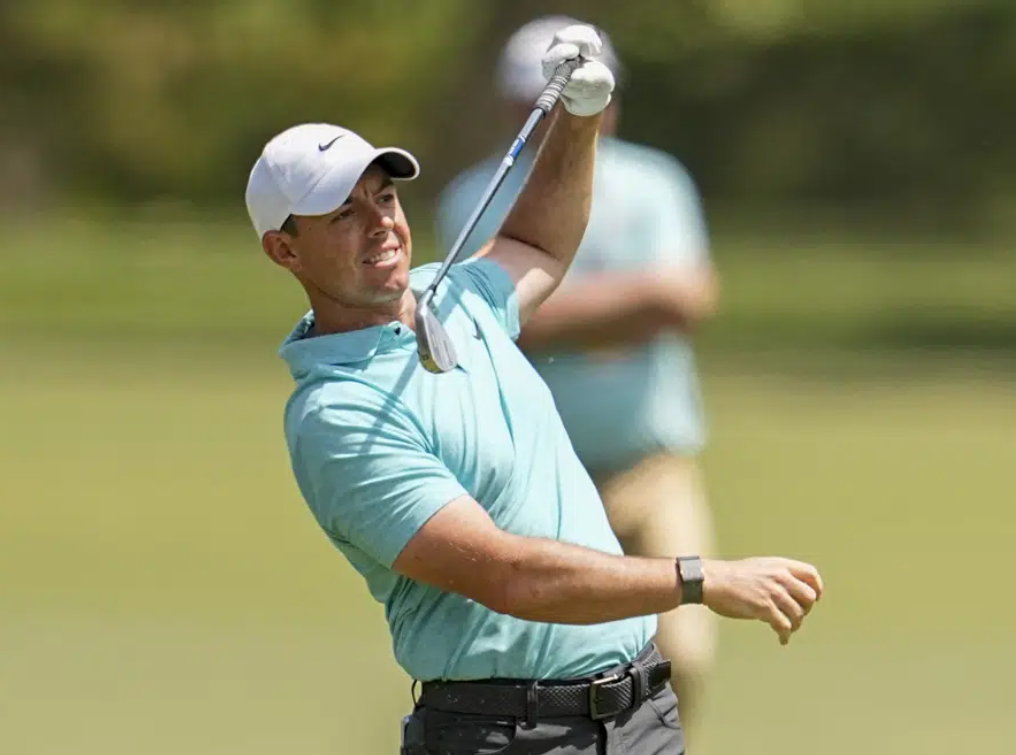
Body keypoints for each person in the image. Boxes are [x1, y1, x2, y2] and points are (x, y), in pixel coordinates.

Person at [246, 23, 824, 755]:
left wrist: (577, 120)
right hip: (508, 734)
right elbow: (510, 576)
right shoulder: (338, 416)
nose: (381, 224)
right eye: (344, 214)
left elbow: (540, 244)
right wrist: (699, 579)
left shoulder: (448, 296)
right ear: (285, 248)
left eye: (383, 197)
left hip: (638, 718)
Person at [436, 16, 721, 736]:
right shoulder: (472, 197)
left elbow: (682, 299)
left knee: (682, 651)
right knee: (536, 670)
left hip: (646, 466)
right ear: (511, 107)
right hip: (526, 477)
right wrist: (623, 309)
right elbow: (470, 331)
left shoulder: (655, 181)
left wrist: (537, 311)